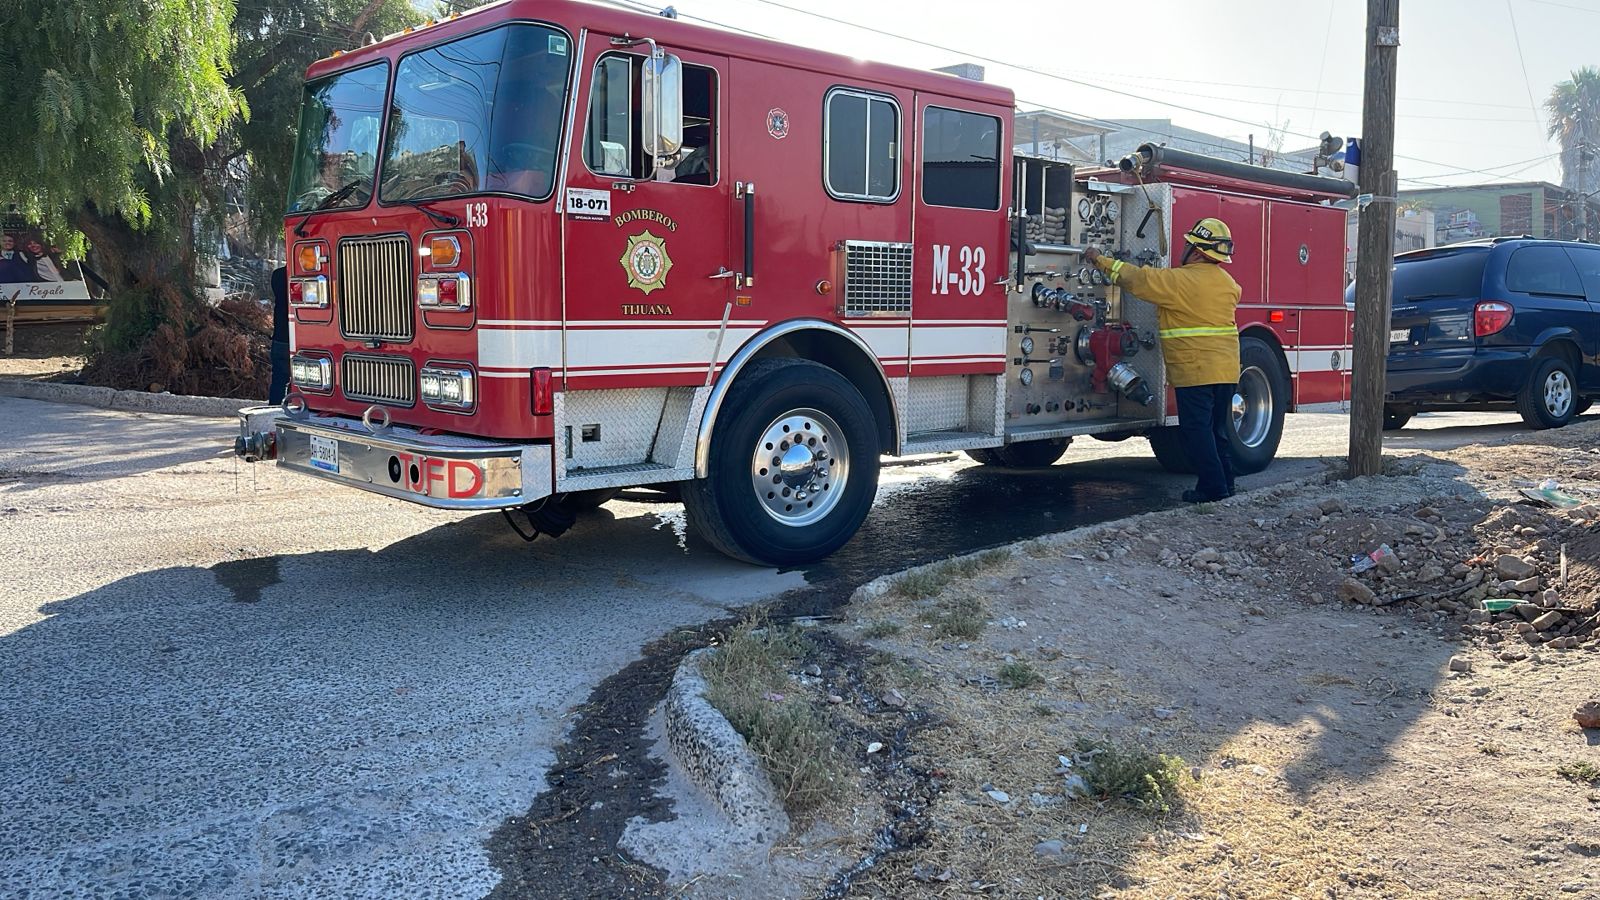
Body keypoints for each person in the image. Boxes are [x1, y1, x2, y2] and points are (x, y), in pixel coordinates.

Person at [1084, 217, 1242, 503]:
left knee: (1197, 432)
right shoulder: (1228, 283)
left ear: (1195, 250)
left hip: (1195, 371)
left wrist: (1101, 261)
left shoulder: (1179, 281)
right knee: (1218, 431)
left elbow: (1139, 279)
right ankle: (1226, 484)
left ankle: (1212, 488)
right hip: (1227, 370)